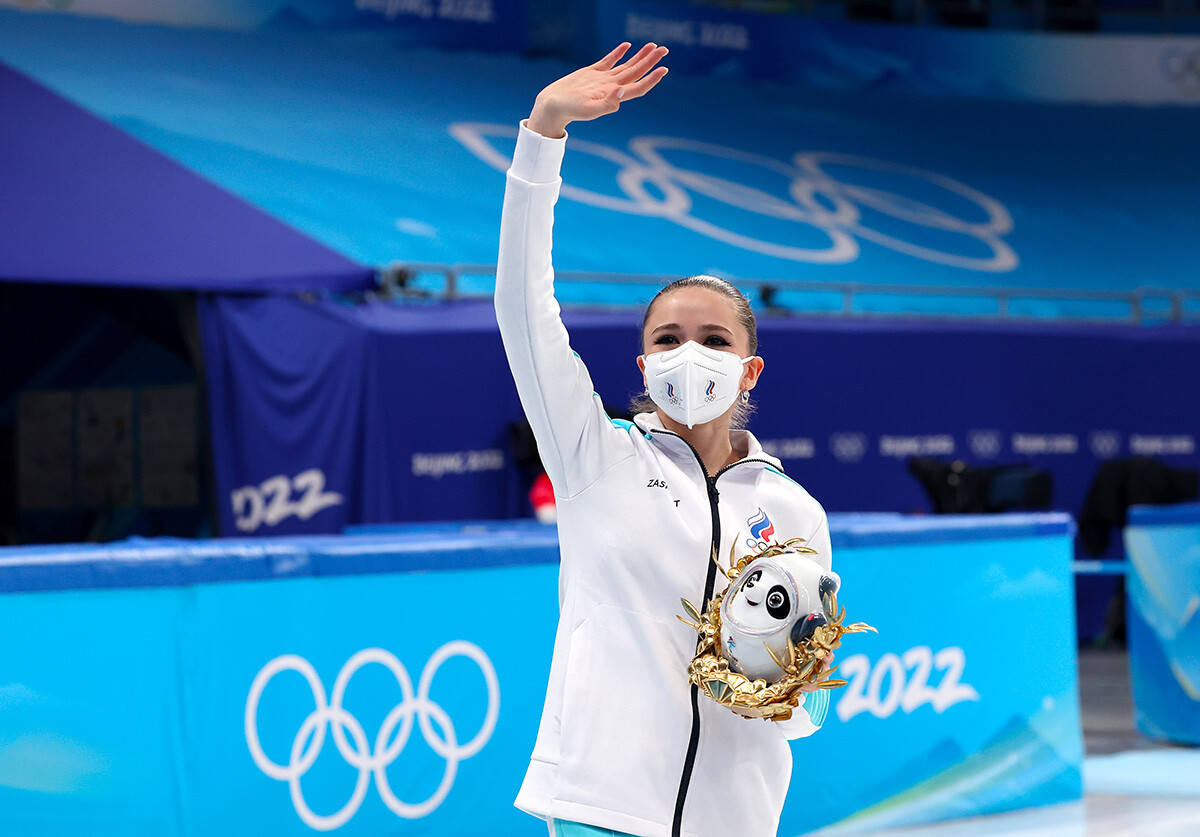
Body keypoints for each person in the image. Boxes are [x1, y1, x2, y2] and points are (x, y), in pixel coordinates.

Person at [495, 43, 834, 837]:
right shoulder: (594, 457)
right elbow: (521, 304)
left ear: (749, 370)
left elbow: (809, 705)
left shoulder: (795, 509)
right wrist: (544, 131)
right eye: (671, 337)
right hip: (601, 809)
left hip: (739, 817)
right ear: (645, 362)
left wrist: (778, 687)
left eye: (715, 340)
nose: (693, 354)